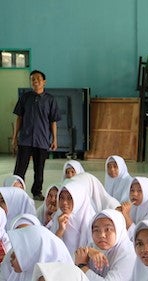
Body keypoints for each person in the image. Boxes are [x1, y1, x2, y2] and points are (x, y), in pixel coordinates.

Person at [11, 70, 61, 201]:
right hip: (25, 139)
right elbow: (19, 118)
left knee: (39, 169)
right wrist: (15, 137)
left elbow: (53, 121)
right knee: (20, 167)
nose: (35, 81)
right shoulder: (25, 97)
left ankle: (37, 192)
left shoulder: (50, 99)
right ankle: (15, 190)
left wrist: (55, 139)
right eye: (32, 79)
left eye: (38, 78)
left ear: (44, 82)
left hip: (42, 139)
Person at [74, 209, 135, 281]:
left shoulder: (128, 253)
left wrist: (82, 266)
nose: (102, 235)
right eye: (96, 230)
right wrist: (85, 252)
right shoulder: (92, 247)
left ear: (119, 230)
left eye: (108, 229)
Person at [6, 225, 73, 281]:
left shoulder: (57, 278)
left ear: (33, 255)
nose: (11, 256)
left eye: (19, 252)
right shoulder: (24, 273)